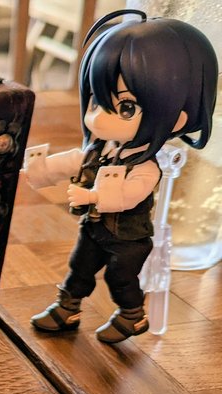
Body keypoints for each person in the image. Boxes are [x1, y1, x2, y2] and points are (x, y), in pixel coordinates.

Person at [22, 10, 217, 343]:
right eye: (96, 101)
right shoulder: (102, 149)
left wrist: (93, 196)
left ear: (178, 117)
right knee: (79, 267)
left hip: (129, 240)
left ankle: (132, 316)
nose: (99, 118)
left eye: (126, 108)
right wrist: (42, 169)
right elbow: (73, 160)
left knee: (120, 278)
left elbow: (131, 194)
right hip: (94, 229)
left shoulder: (146, 165)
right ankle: (67, 307)